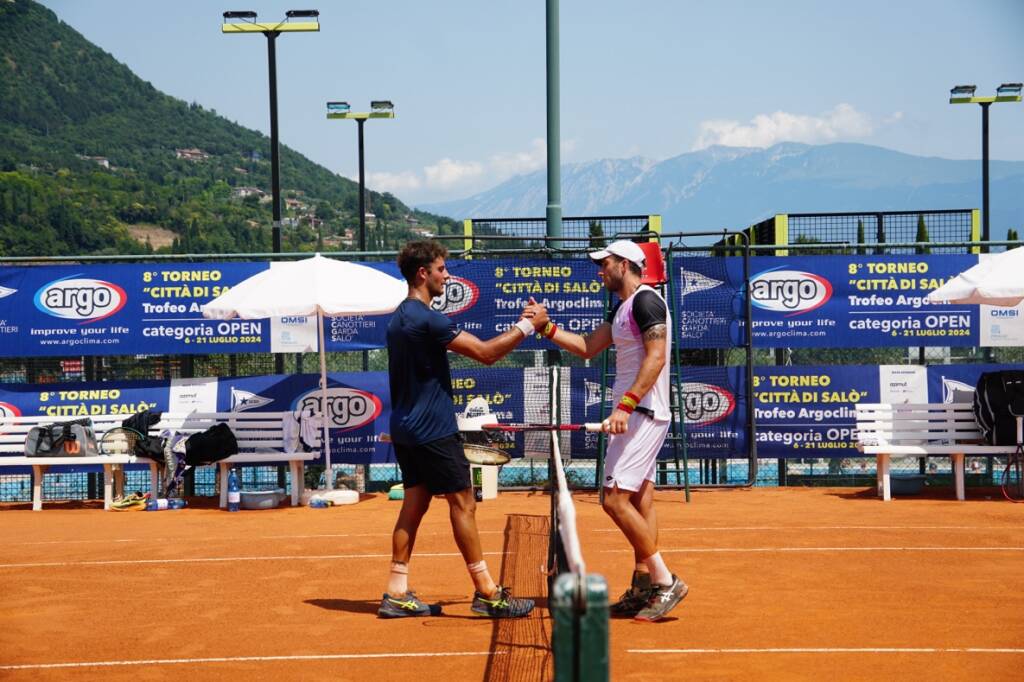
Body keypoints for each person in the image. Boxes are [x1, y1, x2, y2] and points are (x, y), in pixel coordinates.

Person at [379, 240, 548, 619]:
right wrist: (528, 325)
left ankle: (395, 592)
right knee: (463, 504)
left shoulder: (397, 319)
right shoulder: (427, 319)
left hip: (406, 430)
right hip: (433, 431)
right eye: (441, 269)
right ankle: (487, 593)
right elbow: (487, 354)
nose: (447, 275)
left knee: (414, 504)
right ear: (423, 273)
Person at [526, 239, 688, 622]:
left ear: (626, 265)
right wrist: (544, 327)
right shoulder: (624, 308)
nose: (601, 270)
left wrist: (627, 405)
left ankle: (666, 581)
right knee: (640, 500)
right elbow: (586, 347)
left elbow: (658, 357)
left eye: (606, 263)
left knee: (614, 500)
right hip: (637, 414)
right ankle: (643, 584)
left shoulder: (648, 301)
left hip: (641, 413)